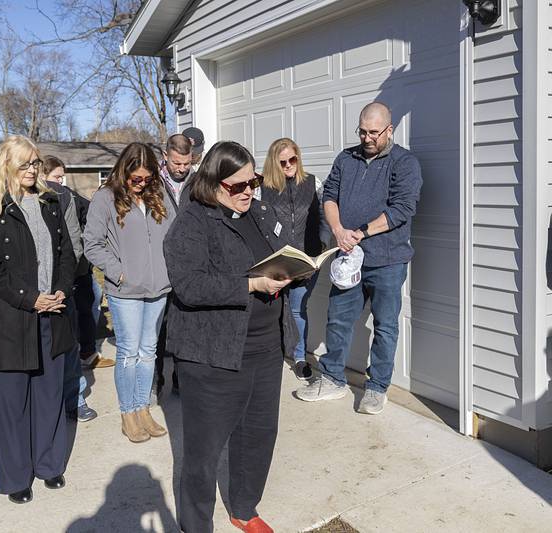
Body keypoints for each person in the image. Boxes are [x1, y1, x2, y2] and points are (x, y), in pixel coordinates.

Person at [164, 141, 297, 533]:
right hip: (213, 356)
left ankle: (243, 507)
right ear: (212, 183)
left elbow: (275, 251)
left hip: (265, 347)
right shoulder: (191, 222)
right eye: (237, 186)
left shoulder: (255, 211)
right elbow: (189, 285)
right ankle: (196, 526)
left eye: (252, 182)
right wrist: (251, 284)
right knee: (203, 455)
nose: (248, 192)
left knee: (257, 435)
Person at [296, 102, 423, 415]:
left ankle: (377, 388)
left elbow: (402, 209)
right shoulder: (346, 158)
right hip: (348, 256)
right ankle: (332, 378)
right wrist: (339, 230)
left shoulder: (404, 163)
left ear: (389, 130)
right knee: (338, 318)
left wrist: (361, 233)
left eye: (374, 133)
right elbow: (330, 196)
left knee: (385, 325)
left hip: (388, 260)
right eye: (362, 131)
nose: (367, 138)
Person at [0, 135, 76, 505]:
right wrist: (31, 300)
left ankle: (49, 465)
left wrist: (62, 290)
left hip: (54, 312)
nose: (33, 170)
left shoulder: (50, 201)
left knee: (49, 396)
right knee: (11, 402)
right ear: (7, 165)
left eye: (35, 163)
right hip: (12, 318)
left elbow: (66, 253)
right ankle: (16, 476)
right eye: (25, 163)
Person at [83, 142, 173, 443]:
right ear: (124, 171)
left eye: (147, 178)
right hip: (125, 291)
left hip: (158, 287)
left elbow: (174, 234)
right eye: (136, 178)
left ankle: (143, 408)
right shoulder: (105, 198)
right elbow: (92, 243)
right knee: (129, 352)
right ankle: (128, 413)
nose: (142, 183)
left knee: (149, 352)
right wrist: (118, 270)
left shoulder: (158, 196)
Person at [42, 155, 102, 423]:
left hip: (67, 281)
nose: (60, 182)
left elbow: (75, 243)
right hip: (38, 287)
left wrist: (66, 280)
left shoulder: (64, 196)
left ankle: (75, 399)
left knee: (69, 344)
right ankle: (50, 405)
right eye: (56, 177)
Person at [260, 138, 322, 381]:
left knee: (297, 309)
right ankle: (272, 352)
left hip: (306, 259)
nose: (288, 165)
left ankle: (298, 357)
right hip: (276, 260)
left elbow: (323, 217)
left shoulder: (313, 183)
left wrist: (324, 243)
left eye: (292, 159)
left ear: (298, 157)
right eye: (282, 161)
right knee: (272, 308)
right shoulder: (263, 187)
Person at [154, 133, 197, 399]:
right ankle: (156, 381)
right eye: (176, 163)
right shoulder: (152, 182)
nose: (181, 169)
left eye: (186, 163)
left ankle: (181, 381)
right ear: (165, 156)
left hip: (189, 265)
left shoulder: (197, 181)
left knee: (185, 328)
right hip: (158, 263)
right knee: (158, 329)